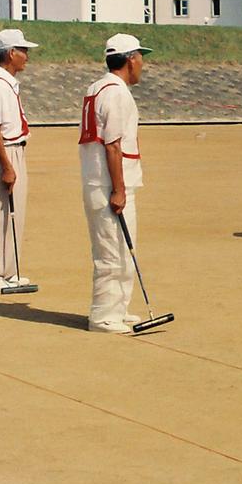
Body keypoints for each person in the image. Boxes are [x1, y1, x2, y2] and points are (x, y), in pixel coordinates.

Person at [78, 33, 151, 334]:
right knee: (112, 251)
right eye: (141, 57)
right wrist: (119, 189)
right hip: (108, 184)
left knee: (121, 247)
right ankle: (104, 316)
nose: (143, 64)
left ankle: (118, 307)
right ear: (130, 60)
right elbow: (113, 145)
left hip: (101, 180)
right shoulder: (117, 93)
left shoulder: (98, 87)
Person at [0, 28, 39, 293]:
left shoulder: (5, 83)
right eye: (23, 51)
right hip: (3, 151)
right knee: (0, 213)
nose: (27, 56)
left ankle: (9, 271)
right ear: (11, 53)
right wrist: (7, 166)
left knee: (15, 212)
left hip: (14, 148)